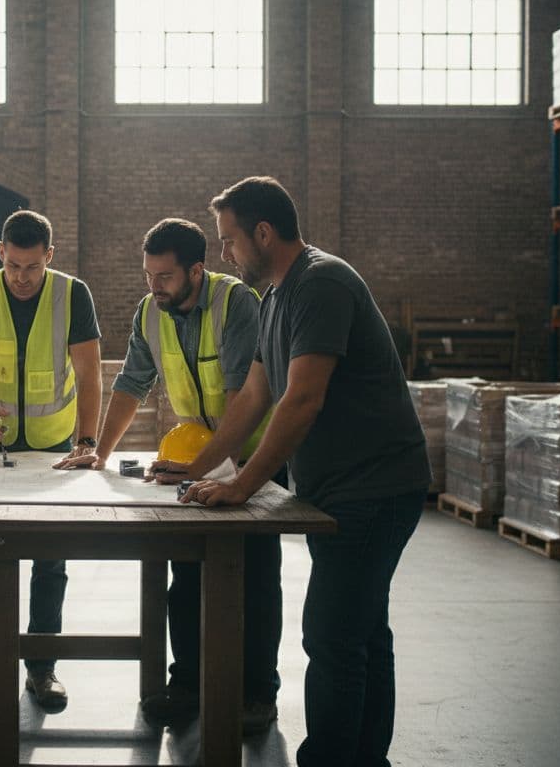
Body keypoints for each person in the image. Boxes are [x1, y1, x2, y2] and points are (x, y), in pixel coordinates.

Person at [184, 176, 430, 765]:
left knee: (333, 635)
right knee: (364, 630)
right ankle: (366, 758)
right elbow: (255, 397)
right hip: (339, 491)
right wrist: (194, 467)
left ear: (263, 233)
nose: (223, 254)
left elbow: (302, 400)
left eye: (229, 240)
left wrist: (244, 486)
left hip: (374, 488)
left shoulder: (320, 284)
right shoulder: (275, 295)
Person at [56, 217, 283, 732]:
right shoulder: (149, 312)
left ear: (196, 271)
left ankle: (257, 693)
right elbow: (132, 386)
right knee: (186, 575)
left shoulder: (236, 303)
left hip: (253, 456)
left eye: (164, 277)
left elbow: (241, 400)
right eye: (148, 275)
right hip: (197, 457)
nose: (153, 286)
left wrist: (210, 469)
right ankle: (187, 685)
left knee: (256, 579)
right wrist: (97, 451)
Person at [0, 209, 102, 711]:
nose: (21, 277)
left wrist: (87, 441)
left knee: (50, 558)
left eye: (32, 267)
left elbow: (90, 375)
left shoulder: (72, 294)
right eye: (13, 265)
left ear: (49, 257)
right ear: (1, 252)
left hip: (56, 446)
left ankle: (42, 668)